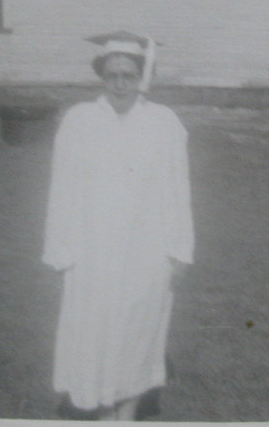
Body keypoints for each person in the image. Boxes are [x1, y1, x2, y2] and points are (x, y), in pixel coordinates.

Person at [43, 31, 194, 421]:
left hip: (147, 252)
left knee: (138, 336)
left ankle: (126, 414)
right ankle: (103, 410)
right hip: (92, 252)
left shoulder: (163, 122)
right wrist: (60, 252)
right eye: (112, 75)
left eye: (128, 75)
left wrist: (180, 251)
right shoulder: (80, 121)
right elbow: (62, 190)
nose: (120, 84)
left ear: (141, 77)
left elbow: (178, 189)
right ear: (101, 77)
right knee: (94, 334)